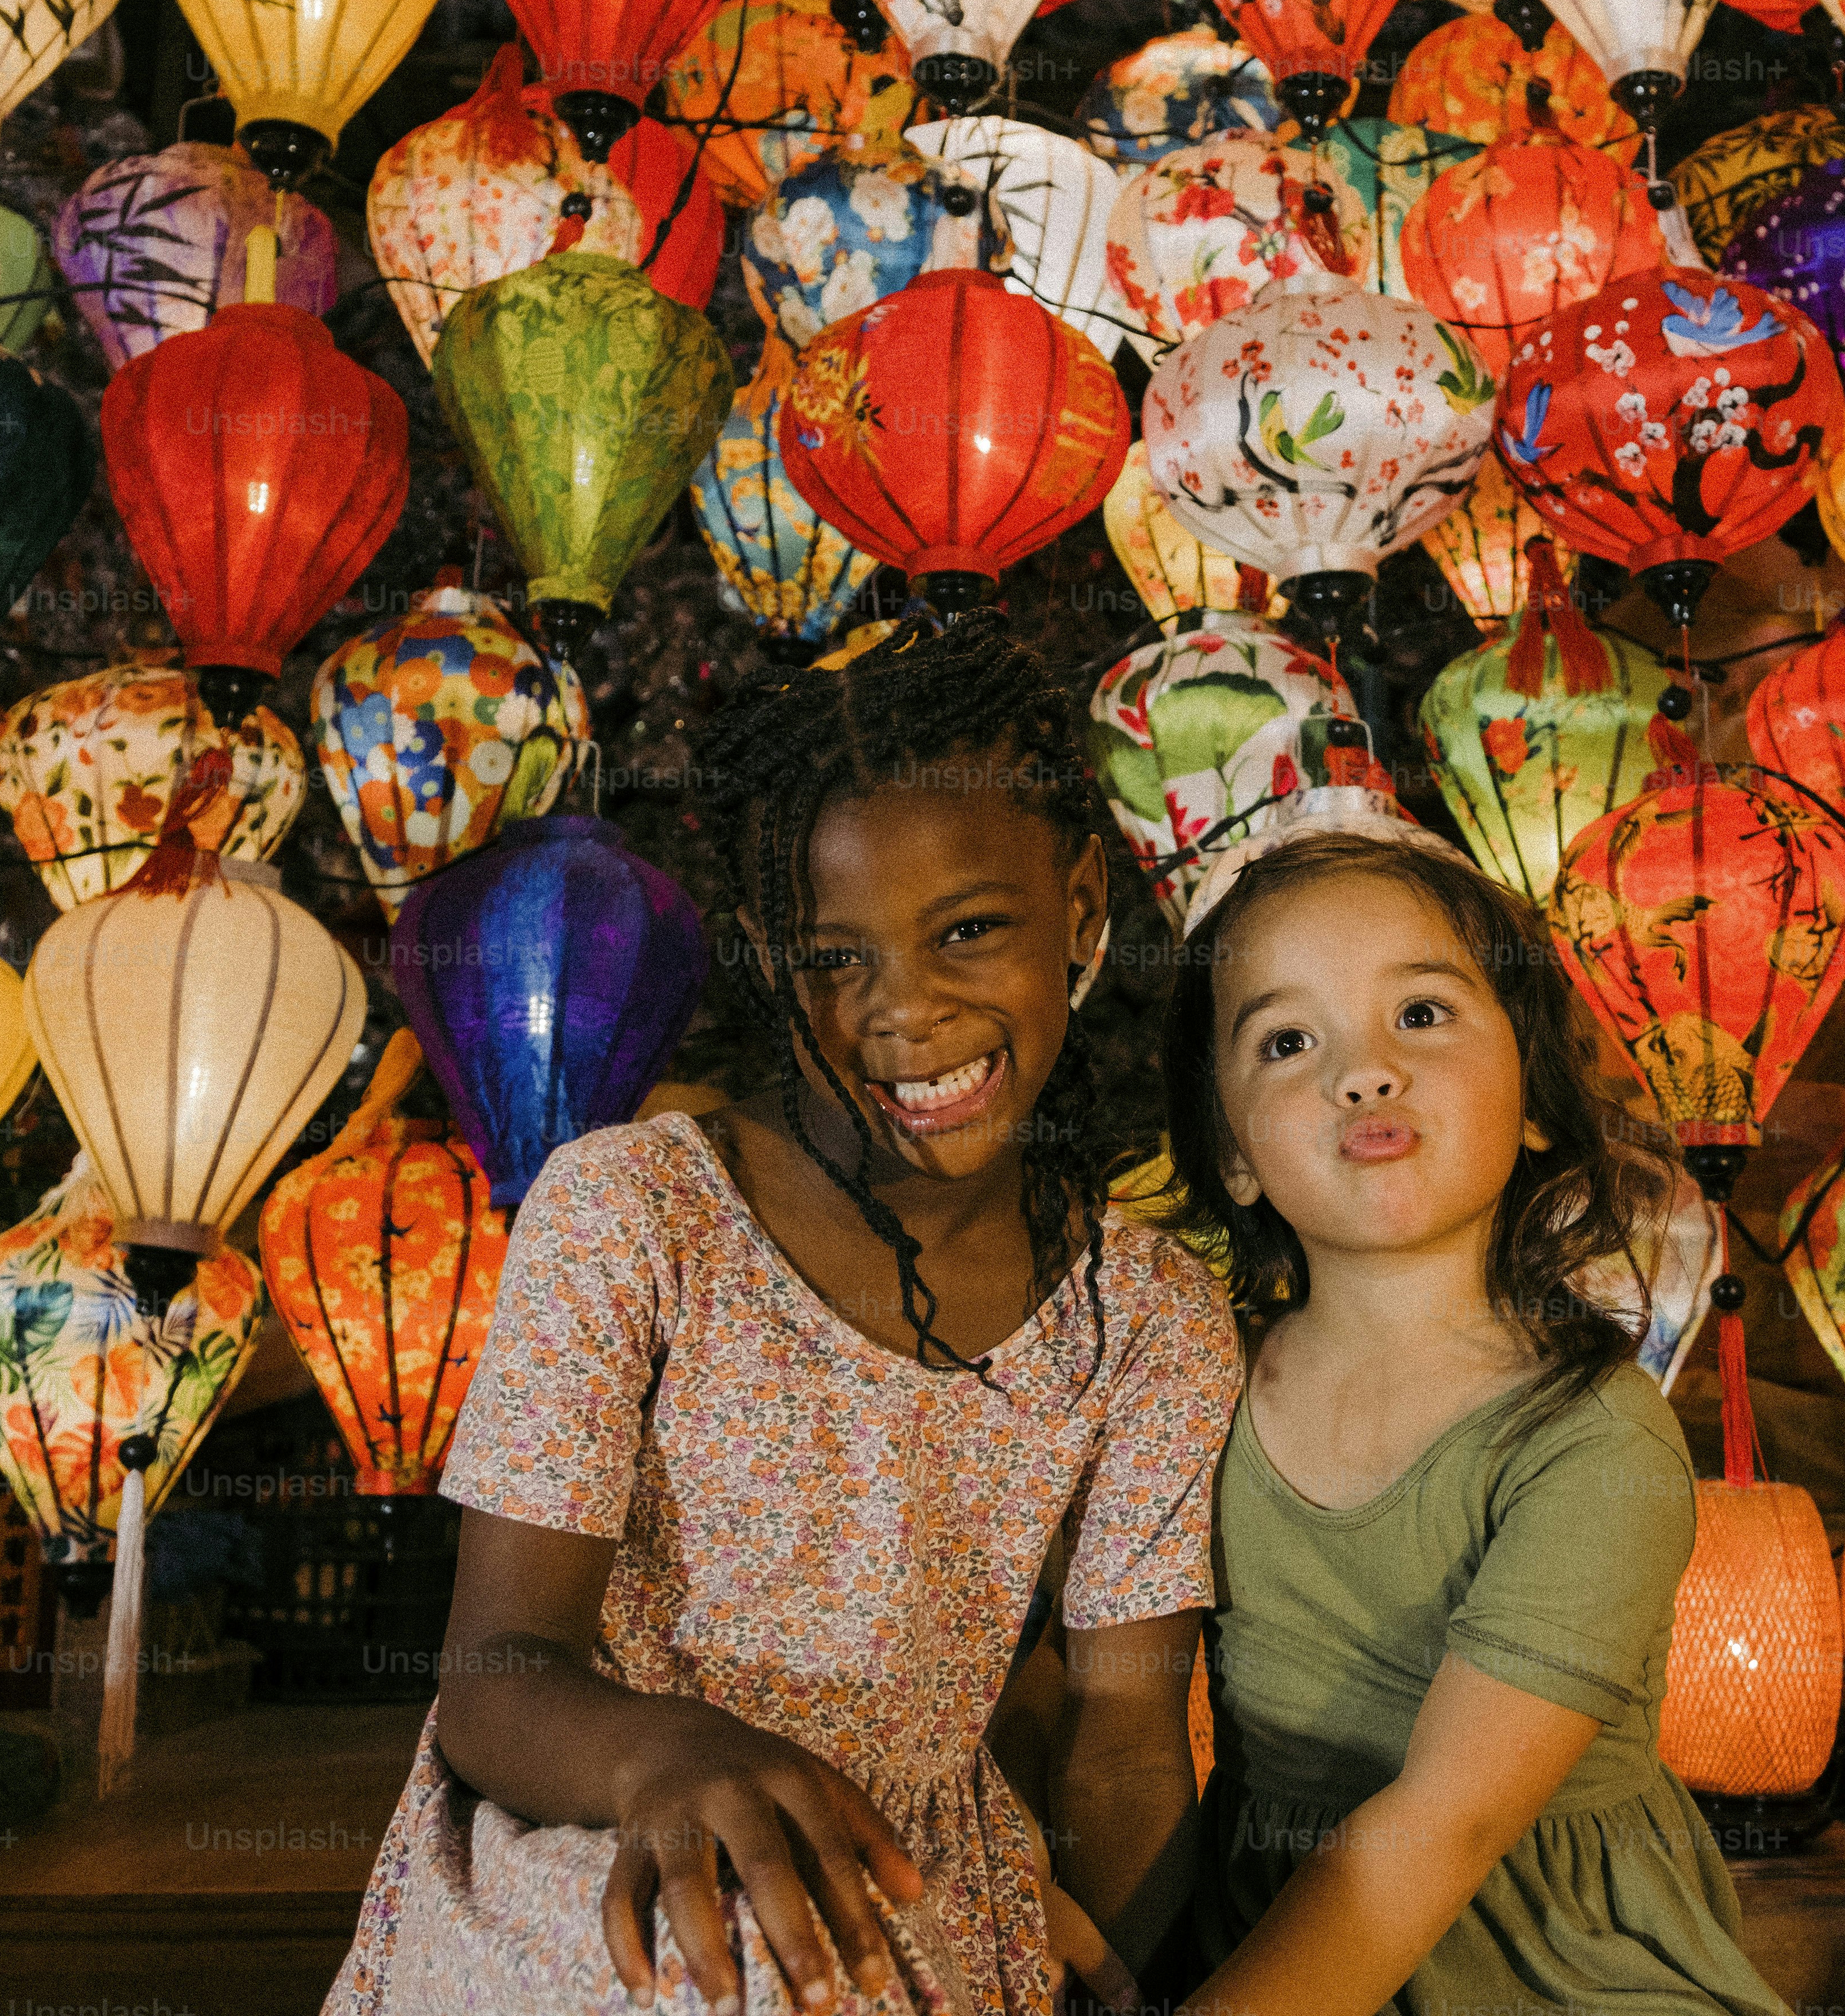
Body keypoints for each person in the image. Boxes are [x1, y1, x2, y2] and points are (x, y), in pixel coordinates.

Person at [332, 616, 1239, 2016]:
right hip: (601, 1827)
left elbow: (1127, 1738)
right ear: (767, 957)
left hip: (923, 1882)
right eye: (834, 959)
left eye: (971, 931)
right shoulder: (631, 1213)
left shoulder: (1152, 1316)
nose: (906, 1010)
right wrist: (664, 1756)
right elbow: (497, 1673)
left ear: (1081, 905)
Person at [1161, 830, 1794, 2016]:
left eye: (1423, 1014)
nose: (1363, 1072)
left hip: (1567, 1977)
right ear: (1235, 1157)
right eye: (1289, 1040)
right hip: (1280, 1965)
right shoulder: (1195, 1390)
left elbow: (1445, 1823)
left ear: (1537, 1098)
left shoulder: (1591, 1434)